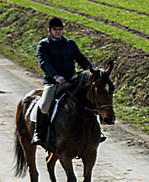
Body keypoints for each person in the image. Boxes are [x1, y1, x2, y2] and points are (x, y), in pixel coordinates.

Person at [33, 16, 100, 148]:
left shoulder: (70, 44)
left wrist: (92, 70)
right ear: (49, 30)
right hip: (53, 82)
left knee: (89, 100)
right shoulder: (43, 45)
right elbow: (44, 63)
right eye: (55, 30)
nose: (58, 32)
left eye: (60, 29)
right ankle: (39, 132)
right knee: (45, 105)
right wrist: (55, 76)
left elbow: (81, 59)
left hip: (71, 81)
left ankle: (96, 132)